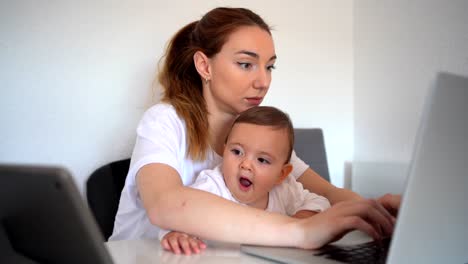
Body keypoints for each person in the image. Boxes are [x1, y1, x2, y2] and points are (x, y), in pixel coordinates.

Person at [109, 6, 400, 251]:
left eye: (269, 67)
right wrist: (301, 231)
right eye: (246, 64)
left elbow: (328, 192)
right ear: (204, 66)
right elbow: (165, 204)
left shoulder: (257, 136)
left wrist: (379, 213)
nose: (263, 81)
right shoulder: (165, 120)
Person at [160, 106, 331, 254]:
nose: (246, 165)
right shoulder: (212, 186)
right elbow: (180, 215)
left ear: (281, 174)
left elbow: (320, 201)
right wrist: (177, 235)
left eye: (262, 160)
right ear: (224, 150)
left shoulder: (285, 189)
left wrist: (299, 221)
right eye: (237, 152)